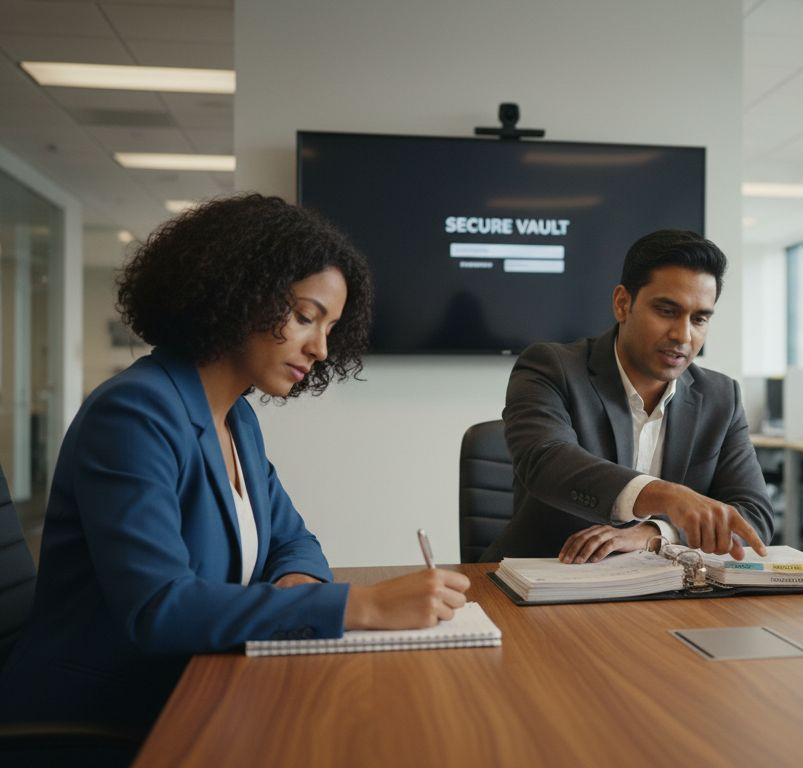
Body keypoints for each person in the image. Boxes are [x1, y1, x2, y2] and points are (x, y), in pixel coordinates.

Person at [0, 194, 471, 727]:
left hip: (192, 685)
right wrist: (361, 606)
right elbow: (158, 607)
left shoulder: (236, 418)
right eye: (304, 317)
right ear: (239, 292)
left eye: (330, 328)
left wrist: (299, 583)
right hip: (97, 711)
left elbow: (295, 541)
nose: (320, 348)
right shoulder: (135, 411)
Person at [481, 229, 773, 563]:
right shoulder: (551, 367)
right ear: (623, 303)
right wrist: (666, 496)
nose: (683, 335)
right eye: (666, 311)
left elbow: (754, 517)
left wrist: (656, 533)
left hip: (663, 596)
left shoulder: (721, 396)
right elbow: (545, 459)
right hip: (550, 582)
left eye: (699, 319)